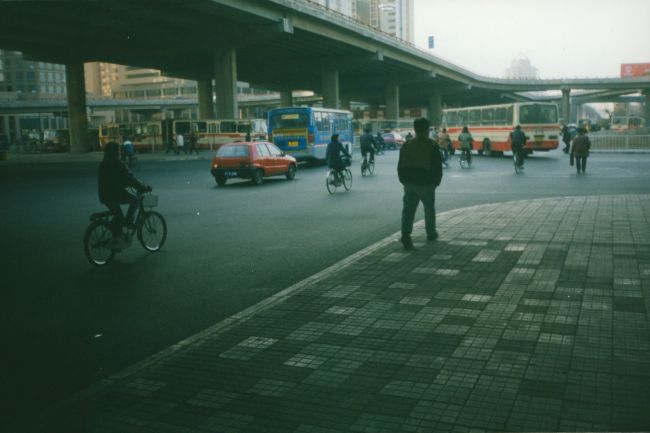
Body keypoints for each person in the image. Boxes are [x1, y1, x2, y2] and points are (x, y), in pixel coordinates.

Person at [397, 117, 443, 250]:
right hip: (427, 183)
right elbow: (437, 166)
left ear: (415, 129)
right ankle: (431, 233)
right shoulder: (432, 145)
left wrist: (404, 181)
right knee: (429, 209)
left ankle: (406, 234)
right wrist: (436, 181)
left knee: (408, 210)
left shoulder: (407, 145)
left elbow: (400, 166)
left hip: (410, 183)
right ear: (426, 129)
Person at [98, 142, 151, 246]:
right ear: (115, 152)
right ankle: (128, 221)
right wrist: (144, 187)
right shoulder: (118, 164)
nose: (119, 152)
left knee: (118, 217)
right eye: (118, 150)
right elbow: (131, 179)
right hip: (114, 195)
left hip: (104, 195)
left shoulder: (103, 164)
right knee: (136, 200)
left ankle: (117, 237)